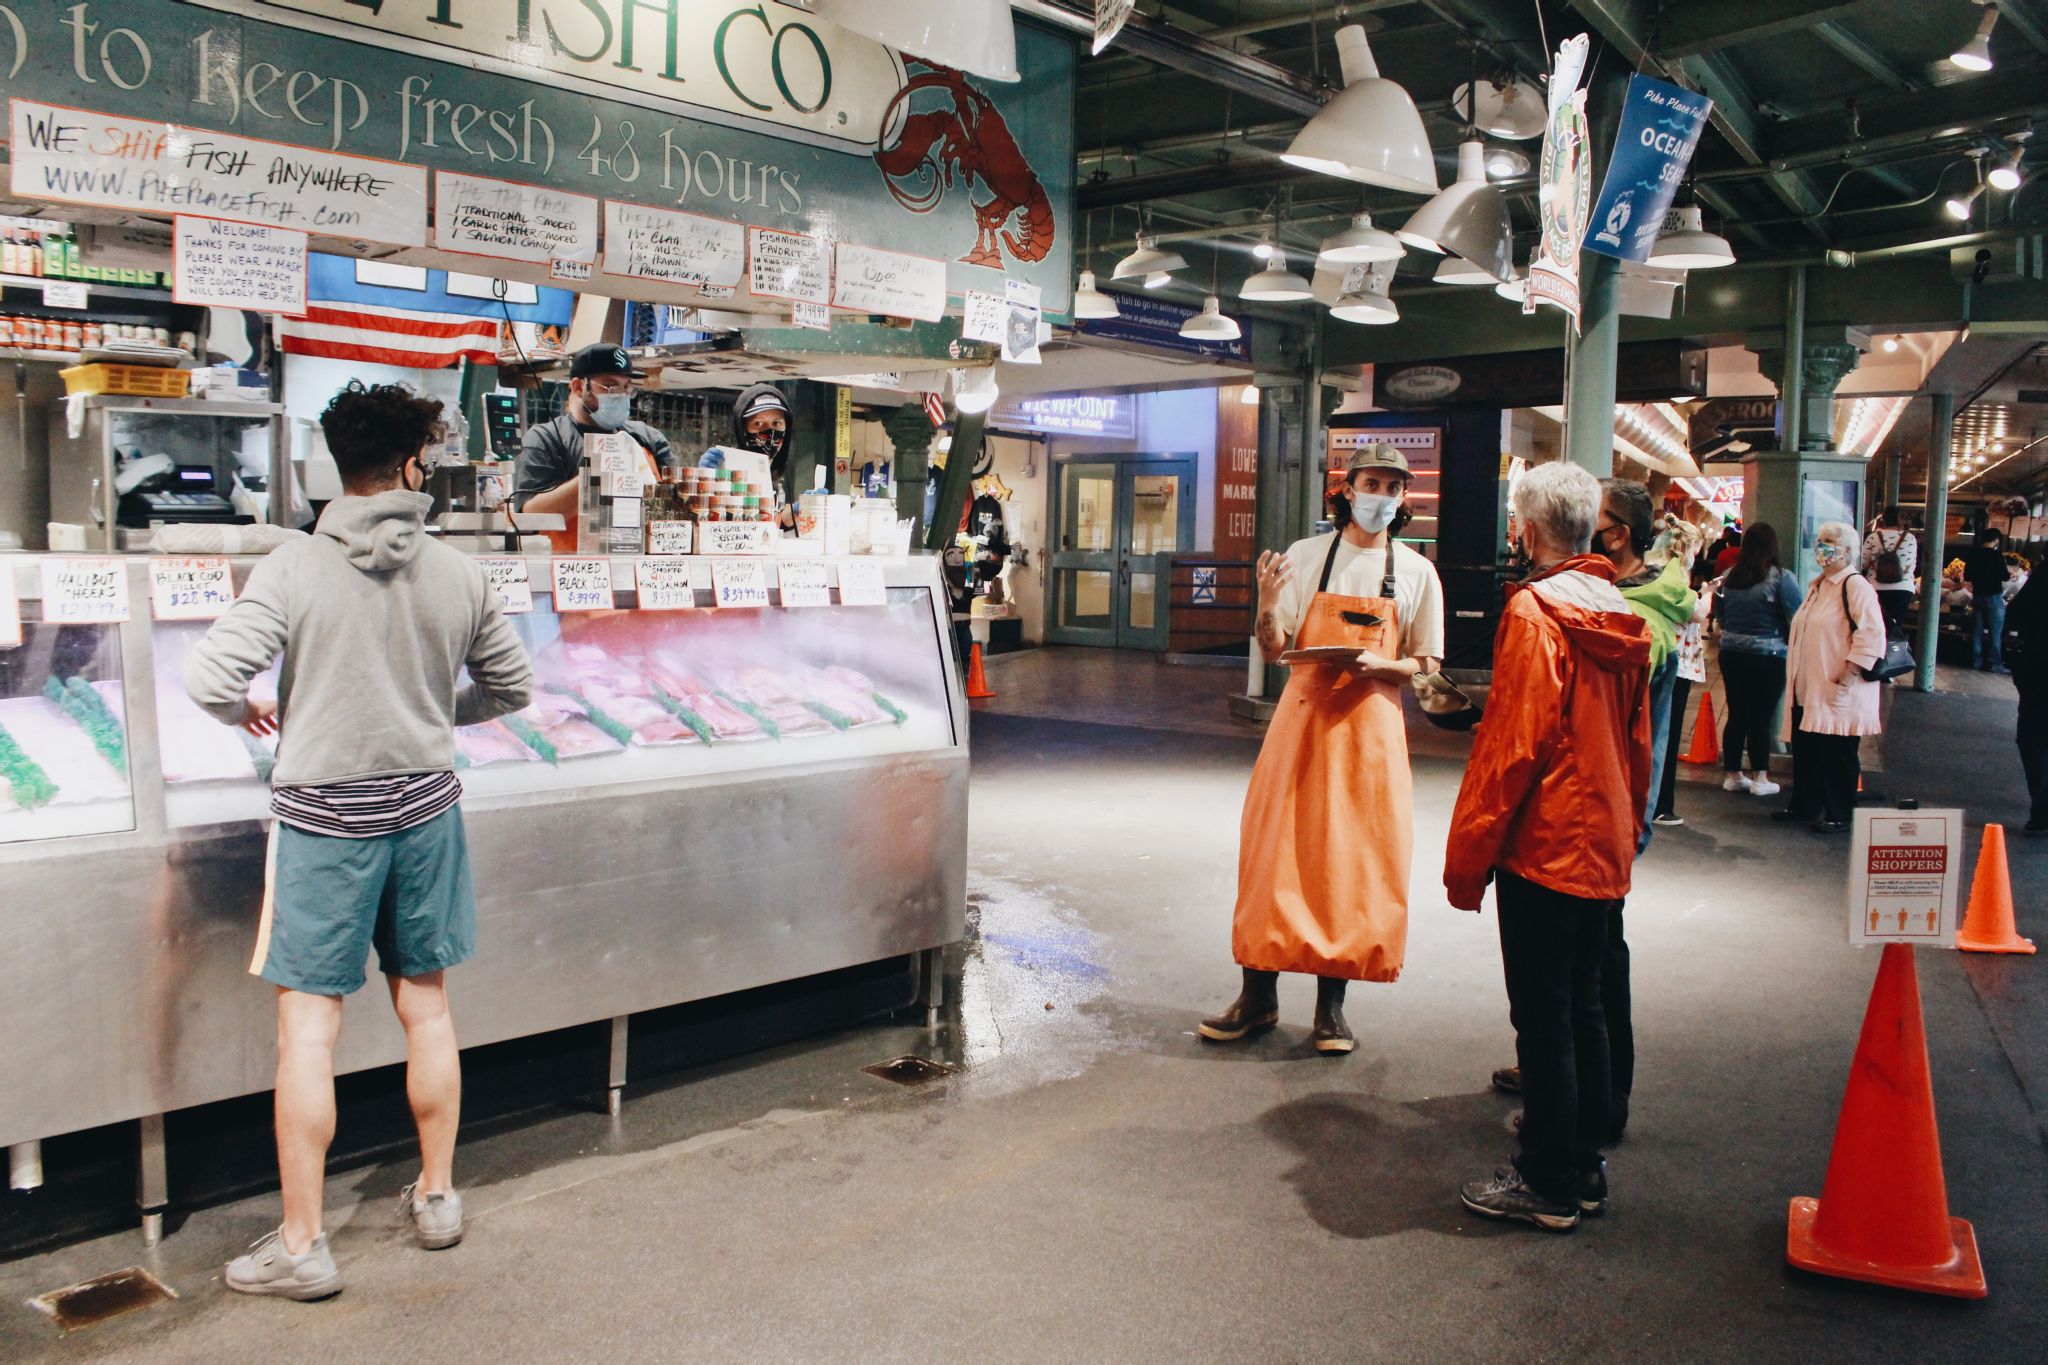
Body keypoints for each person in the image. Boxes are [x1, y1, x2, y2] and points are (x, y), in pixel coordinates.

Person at [186, 382, 535, 1300]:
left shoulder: (294, 563)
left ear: (336, 463)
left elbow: (208, 676)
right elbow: (512, 687)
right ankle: (438, 1195)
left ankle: (304, 1246)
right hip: (426, 807)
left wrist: (253, 707)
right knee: (428, 1007)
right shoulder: (460, 573)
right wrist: (435, 712)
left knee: (309, 1029)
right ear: (415, 464)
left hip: (324, 817)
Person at [1446, 462, 1651, 1232]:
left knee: (1543, 1013)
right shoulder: (1612, 605)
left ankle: (1547, 1178)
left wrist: (1468, 855)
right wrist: (1628, 826)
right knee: (1586, 1004)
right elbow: (1637, 740)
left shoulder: (1535, 612)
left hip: (1545, 841)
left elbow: (1513, 747)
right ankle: (1584, 1163)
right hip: (1602, 837)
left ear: (1528, 531)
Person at [1199, 442, 1444, 1055]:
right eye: (1372, 482)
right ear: (1346, 487)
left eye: (1392, 486)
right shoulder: (1306, 559)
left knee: (1351, 862)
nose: (1381, 496)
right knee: (1274, 853)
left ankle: (1332, 1010)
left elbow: (1429, 662)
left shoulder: (1416, 572)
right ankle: (1257, 997)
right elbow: (1275, 648)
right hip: (1301, 725)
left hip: (1371, 734)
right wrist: (1263, 603)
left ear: (1402, 497)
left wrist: (1382, 665)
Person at [1775, 521, 1885, 833]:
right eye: (1820, 540)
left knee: (1837, 753)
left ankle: (1840, 812)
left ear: (1848, 550)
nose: (1820, 547)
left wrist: (1847, 678)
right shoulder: (1818, 585)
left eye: (1829, 541)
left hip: (1838, 687)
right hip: (1809, 688)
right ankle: (1804, 806)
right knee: (1808, 748)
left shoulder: (1855, 586)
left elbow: (1872, 636)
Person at [514, 343, 675, 519]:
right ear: (578, 387)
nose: (621, 394)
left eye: (626, 387)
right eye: (610, 386)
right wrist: (595, 475)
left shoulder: (647, 437)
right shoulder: (546, 438)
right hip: (570, 546)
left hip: (640, 543)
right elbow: (529, 514)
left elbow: (676, 501)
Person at [1715, 523, 1801, 795]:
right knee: (1761, 717)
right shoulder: (1781, 578)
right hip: (1769, 654)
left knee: (1737, 714)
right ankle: (1760, 778)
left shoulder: (1729, 577)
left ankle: (1733, 775)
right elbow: (1796, 616)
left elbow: (1721, 615)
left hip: (1731, 652)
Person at [2009, 556, 2048, 834]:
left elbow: (2017, 612)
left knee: (2032, 738)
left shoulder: (2045, 573)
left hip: (2039, 670)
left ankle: (2042, 810)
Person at [1860, 506, 1918, 637]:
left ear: (1883, 520)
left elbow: (1862, 564)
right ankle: (1895, 654)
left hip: (1876, 588)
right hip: (1903, 589)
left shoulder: (1873, 537)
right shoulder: (1909, 538)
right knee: (1895, 627)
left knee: (1876, 627)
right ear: (1900, 521)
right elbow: (1911, 565)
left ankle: (1878, 655)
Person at [1965, 527, 2010, 671]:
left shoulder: (1973, 554)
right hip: (1994, 597)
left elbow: (1967, 576)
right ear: (1996, 540)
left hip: (1978, 596)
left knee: (1977, 630)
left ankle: (1975, 661)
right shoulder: (1997, 556)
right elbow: (2005, 576)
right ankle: (1994, 664)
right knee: (1995, 633)